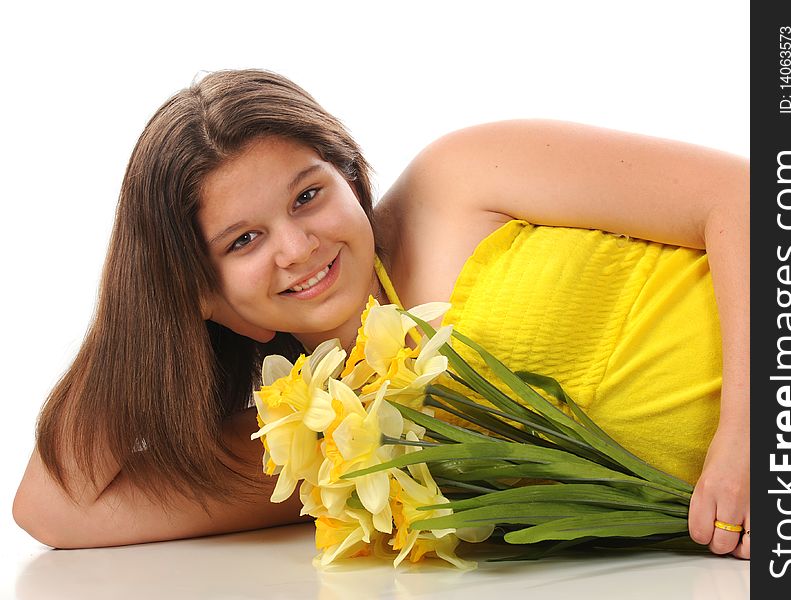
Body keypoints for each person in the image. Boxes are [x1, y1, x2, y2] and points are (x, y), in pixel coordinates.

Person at [13, 69, 749, 559]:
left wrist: (759, 436)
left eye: (307, 195)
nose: (298, 247)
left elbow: (753, 200)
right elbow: (53, 509)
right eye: (244, 240)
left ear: (351, 175)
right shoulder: (331, 444)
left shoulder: (456, 181)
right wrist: (144, 303)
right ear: (208, 301)